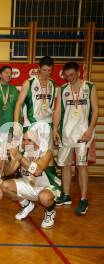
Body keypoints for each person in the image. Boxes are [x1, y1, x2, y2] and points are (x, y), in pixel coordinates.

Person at [53, 61, 98, 215]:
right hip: (66, 133)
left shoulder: (90, 87)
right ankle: (66, 195)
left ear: (78, 72)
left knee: (81, 166)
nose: (69, 78)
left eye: (72, 75)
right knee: (65, 165)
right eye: (66, 76)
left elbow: (96, 110)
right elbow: (58, 111)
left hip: (83, 134)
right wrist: (54, 130)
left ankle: (84, 199)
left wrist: (90, 130)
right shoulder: (62, 89)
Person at [2, 125, 61, 228]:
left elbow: (37, 171)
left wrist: (19, 157)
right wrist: (11, 159)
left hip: (48, 187)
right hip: (29, 185)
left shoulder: (46, 153)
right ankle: (27, 205)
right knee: (5, 186)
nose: (25, 143)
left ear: (37, 142)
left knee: (44, 197)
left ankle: (50, 212)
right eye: (24, 140)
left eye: (29, 140)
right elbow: (7, 173)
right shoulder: (23, 153)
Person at [14, 56, 57, 149]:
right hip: (31, 124)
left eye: (49, 70)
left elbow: (54, 108)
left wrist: (55, 128)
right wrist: (16, 124)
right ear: (39, 68)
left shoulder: (52, 84)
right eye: (44, 70)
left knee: (45, 156)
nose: (47, 73)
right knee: (30, 156)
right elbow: (18, 104)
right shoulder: (29, 82)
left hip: (47, 124)